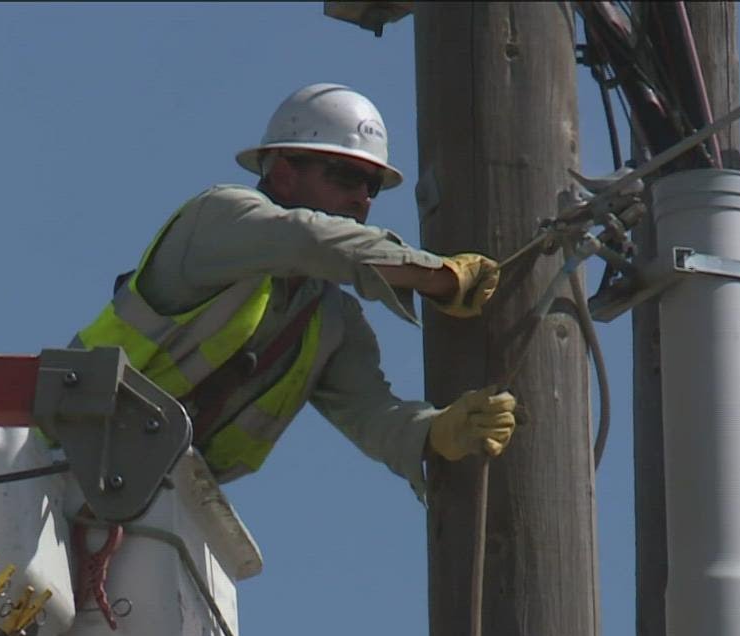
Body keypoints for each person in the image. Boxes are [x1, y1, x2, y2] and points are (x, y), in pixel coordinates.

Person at [71, 83, 516, 501]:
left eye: (373, 185)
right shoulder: (219, 219)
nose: (363, 198)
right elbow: (310, 239)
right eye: (344, 175)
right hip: (59, 455)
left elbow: (371, 413)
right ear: (283, 173)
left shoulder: (330, 320)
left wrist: (435, 432)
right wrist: (435, 276)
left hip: (157, 497)